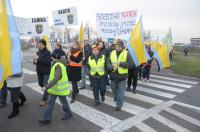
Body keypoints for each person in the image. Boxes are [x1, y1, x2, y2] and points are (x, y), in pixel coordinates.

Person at [38, 50, 72, 125]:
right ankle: (46, 118)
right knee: (50, 103)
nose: (51, 59)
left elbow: (56, 79)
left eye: (52, 58)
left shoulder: (58, 66)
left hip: (59, 89)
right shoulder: (57, 64)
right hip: (55, 89)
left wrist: (46, 87)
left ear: (55, 58)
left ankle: (68, 113)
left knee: (63, 102)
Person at [107, 40, 133, 111]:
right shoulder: (111, 53)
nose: (118, 47)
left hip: (122, 77)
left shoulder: (127, 53)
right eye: (116, 46)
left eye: (119, 46)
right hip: (113, 76)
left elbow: (131, 65)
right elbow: (108, 63)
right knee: (113, 88)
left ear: (122, 46)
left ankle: (119, 105)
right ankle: (116, 96)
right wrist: (111, 67)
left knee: (121, 91)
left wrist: (121, 63)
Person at [33, 39, 52, 106]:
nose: (39, 45)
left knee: (45, 85)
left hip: (46, 72)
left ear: (44, 45)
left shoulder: (48, 52)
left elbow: (47, 62)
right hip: (39, 71)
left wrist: (38, 58)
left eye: (41, 44)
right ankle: (48, 90)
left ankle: (44, 99)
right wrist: (34, 61)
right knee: (40, 84)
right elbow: (36, 61)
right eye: (39, 44)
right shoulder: (38, 52)